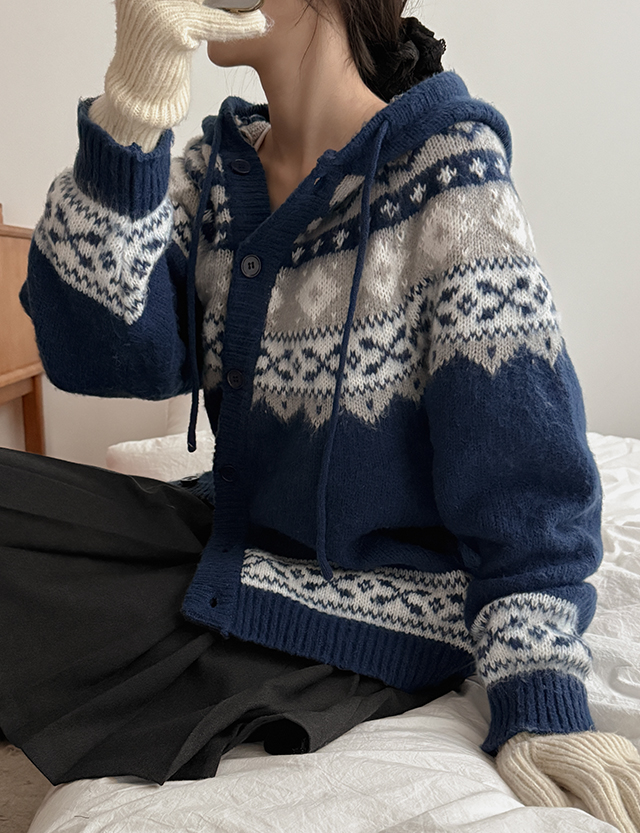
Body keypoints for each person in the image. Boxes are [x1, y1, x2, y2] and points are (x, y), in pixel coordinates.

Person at [1, 0, 639, 828]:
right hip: (229, 541)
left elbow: (526, 470)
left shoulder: (450, 173)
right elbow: (99, 353)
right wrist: (131, 105)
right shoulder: (212, 173)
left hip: (371, 607)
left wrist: (542, 695)